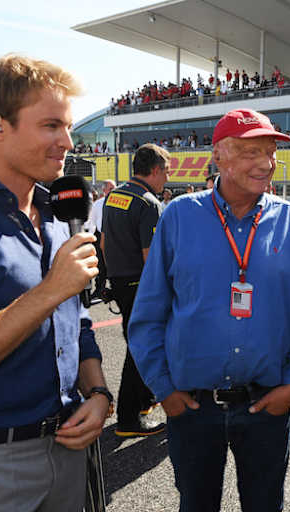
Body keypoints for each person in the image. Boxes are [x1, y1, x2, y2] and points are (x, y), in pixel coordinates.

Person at [0, 54, 110, 511]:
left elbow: (80, 321)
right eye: (51, 125)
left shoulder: (58, 216)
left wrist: (98, 392)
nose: (68, 141)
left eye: (68, 127)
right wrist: (51, 289)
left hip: (70, 450)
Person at [128, 108, 290, 512]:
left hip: (267, 406)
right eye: (251, 152)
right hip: (193, 408)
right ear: (219, 156)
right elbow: (148, 314)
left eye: (270, 152)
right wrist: (164, 389)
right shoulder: (179, 217)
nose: (265, 164)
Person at [102, 143, 169, 437]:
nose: (167, 177)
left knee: (137, 342)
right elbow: (150, 257)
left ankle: (143, 401)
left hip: (119, 281)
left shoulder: (114, 196)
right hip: (141, 284)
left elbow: (103, 243)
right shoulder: (148, 203)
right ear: (154, 171)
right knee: (141, 349)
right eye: (166, 171)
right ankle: (129, 419)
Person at [87, 179, 115, 299]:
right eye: (111, 189)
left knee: (115, 265)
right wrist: (90, 238)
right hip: (99, 236)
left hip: (115, 237)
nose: (114, 191)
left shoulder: (120, 203)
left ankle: (115, 290)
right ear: (104, 190)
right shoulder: (98, 204)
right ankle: (99, 289)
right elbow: (91, 221)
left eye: (115, 188)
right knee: (100, 266)